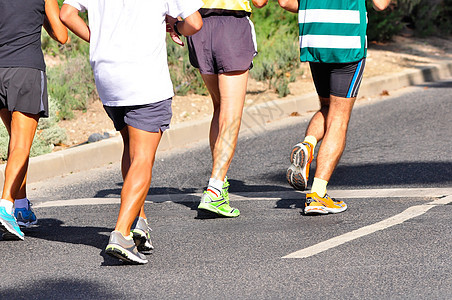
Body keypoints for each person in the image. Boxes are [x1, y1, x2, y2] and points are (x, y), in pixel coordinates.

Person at [59, 0, 203, 264]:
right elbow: (195, 22)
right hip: (143, 77)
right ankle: (122, 234)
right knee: (143, 158)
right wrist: (176, 27)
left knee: (131, 148)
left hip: (108, 75)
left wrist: (100, 41)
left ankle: (139, 220)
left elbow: (66, 14)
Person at [278, 0, 390, 214]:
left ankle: (308, 145)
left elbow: (284, 2)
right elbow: (381, 4)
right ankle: (317, 194)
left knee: (327, 106)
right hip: (346, 39)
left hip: (314, 36)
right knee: (339, 118)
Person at [185, 0, 268, 218]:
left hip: (199, 26)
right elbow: (260, 2)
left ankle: (218, 182)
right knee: (231, 112)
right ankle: (215, 188)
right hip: (232, 24)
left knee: (219, 107)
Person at [0, 0, 68, 240]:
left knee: (16, 143)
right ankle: (5, 207)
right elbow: (61, 35)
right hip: (26, 70)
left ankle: (21, 207)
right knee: (21, 144)